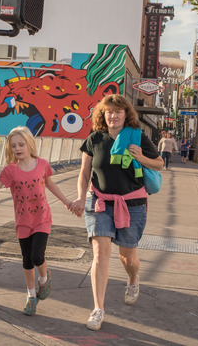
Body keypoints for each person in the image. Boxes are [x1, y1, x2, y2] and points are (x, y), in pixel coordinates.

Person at [75, 94, 163, 331]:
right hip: (100, 203)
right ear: (103, 115)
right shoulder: (94, 139)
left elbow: (159, 164)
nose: (113, 116)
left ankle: (133, 279)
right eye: (109, 112)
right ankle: (98, 309)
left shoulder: (138, 136)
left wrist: (141, 157)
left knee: (128, 258)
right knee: (100, 255)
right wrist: (81, 197)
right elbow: (84, 173)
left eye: (118, 112)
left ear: (126, 114)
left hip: (132, 205)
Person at [0, 126, 82, 316]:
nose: (18, 148)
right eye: (13, 145)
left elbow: (50, 183)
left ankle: (44, 277)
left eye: (21, 144)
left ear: (29, 144)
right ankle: (31, 295)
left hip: (42, 219)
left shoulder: (42, 164)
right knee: (26, 260)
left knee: (37, 256)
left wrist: (67, 202)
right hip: (23, 221)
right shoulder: (10, 170)